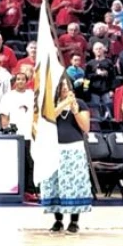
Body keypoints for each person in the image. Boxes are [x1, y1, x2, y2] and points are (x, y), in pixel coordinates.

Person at [40, 75, 93, 234]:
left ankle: (74, 221)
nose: (64, 88)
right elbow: (48, 119)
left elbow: (86, 127)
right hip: (54, 148)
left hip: (74, 149)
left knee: (73, 184)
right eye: (61, 85)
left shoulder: (80, 103)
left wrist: (75, 111)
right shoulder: (50, 105)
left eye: (66, 85)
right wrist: (64, 103)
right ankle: (58, 220)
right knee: (54, 183)